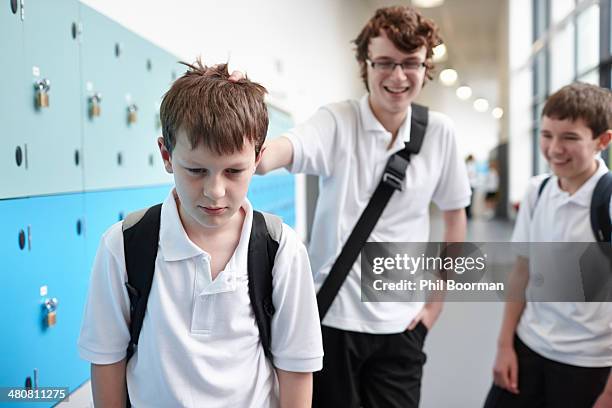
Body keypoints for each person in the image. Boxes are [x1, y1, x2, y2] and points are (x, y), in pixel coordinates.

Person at [255, 6, 471, 407]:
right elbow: (277, 154)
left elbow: (456, 217)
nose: (398, 76)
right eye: (385, 62)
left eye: (411, 63)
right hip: (331, 321)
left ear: (427, 67)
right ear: (365, 64)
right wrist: (242, 119)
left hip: (403, 326)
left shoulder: (440, 133)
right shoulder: (338, 121)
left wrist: (436, 304)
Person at [77, 61, 323, 407]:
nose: (215, 191)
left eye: (234, 171)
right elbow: (106, 360)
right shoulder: (124, 245)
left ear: (258, 158)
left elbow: (296, 368)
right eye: (196, 170)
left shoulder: (282, 249)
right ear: (166, 155)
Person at [485, 83, 612, 408]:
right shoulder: (537, 192)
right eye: (546, 135)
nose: (555, 148)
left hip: (588, 366)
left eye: (570, 137)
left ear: (603, 140)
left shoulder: (607, 203)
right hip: (529, 347)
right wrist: (504, 345)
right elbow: (522, 272)